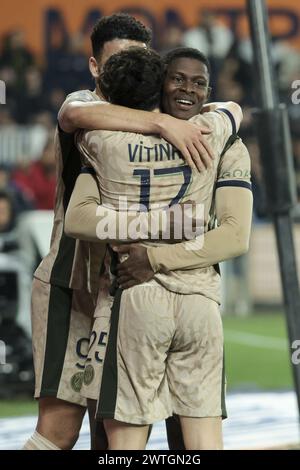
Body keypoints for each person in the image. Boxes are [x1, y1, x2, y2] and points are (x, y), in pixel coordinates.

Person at [23, 14, 214, 451]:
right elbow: (71, 113)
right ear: (94, 66)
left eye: (135, 61)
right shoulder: (84, 104)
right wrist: (162, 123)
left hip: (130, 291)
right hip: (71, 285)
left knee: (118, 433)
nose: (123, 72)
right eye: (114, 63)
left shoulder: (164, 112)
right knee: (60, 430)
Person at [65, 47, 250, 450]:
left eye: (198, 82)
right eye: (179, 80)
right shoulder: (214, 134)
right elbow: (233, 109)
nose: (189, 90)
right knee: (204, 443)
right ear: (160, 86)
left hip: (137, 298)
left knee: (125, 442)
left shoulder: (98, 140)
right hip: (199, 297)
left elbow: (77, 217)